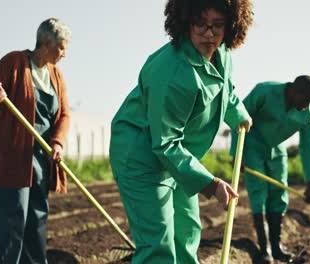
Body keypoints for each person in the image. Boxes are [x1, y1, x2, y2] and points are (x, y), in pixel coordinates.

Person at [109, 0, 253, 263]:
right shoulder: (173, 71)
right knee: (158, 244)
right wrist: (211, 184)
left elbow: (225, 89)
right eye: (201, 24)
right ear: (186, 22)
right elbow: (165, 144)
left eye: (218, 26)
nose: (209, 34)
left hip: (179, 155)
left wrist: (239, 116)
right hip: (142, 156)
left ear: (231, 26)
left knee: (186, 231)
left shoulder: (222, 54)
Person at [0, 18, 71, 264]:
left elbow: (64, 115)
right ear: (46, 43)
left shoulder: (56, 75)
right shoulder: (14, 62)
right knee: (11, 226)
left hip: (41, 162)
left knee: (36, 226)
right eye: (62, 47)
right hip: (11, 161)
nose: (64, 54)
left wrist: (58, 143)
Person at [230, 76, 310, 263]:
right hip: (252, 146)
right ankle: (265, 249)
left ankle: (277, 247)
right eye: (304, 101)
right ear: (294, 91)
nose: (305, 106)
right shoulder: (264, 91)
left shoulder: (307, 113)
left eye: (309, 102)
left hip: (277, 148)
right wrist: (238, 154)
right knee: (258, 192)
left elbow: (308, 146)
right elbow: (239, 117)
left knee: (279, 192)